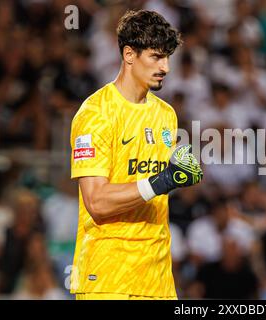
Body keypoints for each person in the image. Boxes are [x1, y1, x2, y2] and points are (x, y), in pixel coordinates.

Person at [69, 9, 203, 300]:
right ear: (129, 55)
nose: (165, 67)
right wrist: (163, 180)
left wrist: (181, 174)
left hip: (157, 279)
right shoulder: (95, 114)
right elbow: (97, 202)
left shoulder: (166, 115)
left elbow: (155, 185)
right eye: (156, 57)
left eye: (167, 57)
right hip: (108, 278)